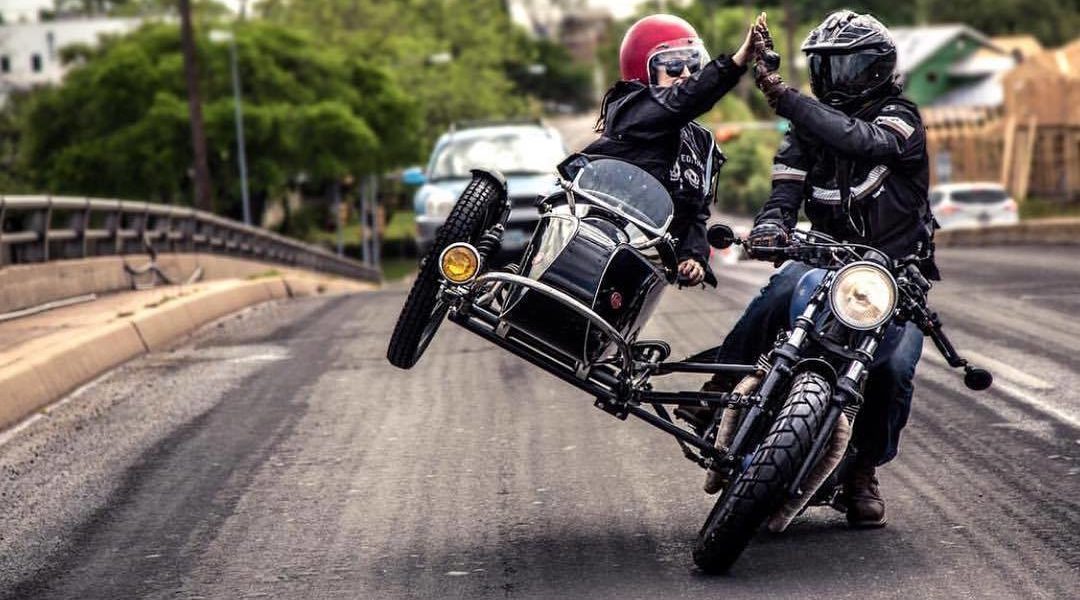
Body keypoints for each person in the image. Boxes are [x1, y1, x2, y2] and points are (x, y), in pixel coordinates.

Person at [699, 11, 938, 528]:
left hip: (895, 274)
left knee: (895, 366)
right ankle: (719, 390)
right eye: (824, 65)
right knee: (779, 288)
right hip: (826, 259)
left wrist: (786, 98)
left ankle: (862, 472)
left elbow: (864, 141)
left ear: (875, 67)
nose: (832, 76)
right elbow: (783, 194)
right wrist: (770, 227)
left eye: (844, 65)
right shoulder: (806, 132)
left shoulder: (901, 118)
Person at [582, 13, 758, 286]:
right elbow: (681, 101)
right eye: (674, 66)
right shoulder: (629, 110)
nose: (685, 73)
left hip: (644, 271)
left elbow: (696, 213)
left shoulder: (701, 141)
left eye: (692, 64)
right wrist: (735, 63)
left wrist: (693, 257)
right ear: (644, 70)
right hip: (596, 250)